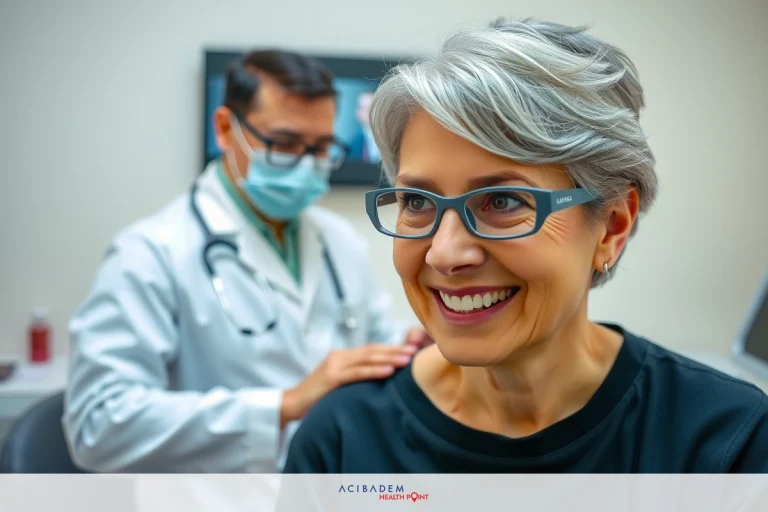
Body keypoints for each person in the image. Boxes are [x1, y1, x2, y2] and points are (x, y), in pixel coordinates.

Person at [281, 18, 768, 473]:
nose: (444, 255)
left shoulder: (725, 442)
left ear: (612, 226)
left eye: (503, 200)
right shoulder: (343, 441)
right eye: (416, 200)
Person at [63, 49, 429, 473]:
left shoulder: (339, 241)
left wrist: (409, 351)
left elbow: (373, 346)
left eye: (322, 147)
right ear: (224, 129)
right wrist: (284, 405)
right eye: (285, 143)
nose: (307, 164)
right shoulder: (151, 252)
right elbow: (98, 425)